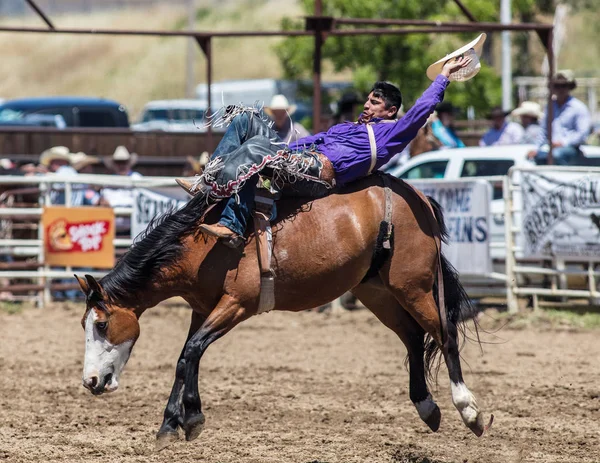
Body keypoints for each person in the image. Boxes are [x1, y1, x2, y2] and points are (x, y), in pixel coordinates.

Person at [177, 56, 474, 247]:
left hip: (320, 175)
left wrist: (444, 76)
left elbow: (421, 110)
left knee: (256, 150)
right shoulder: (346, 128)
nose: (367, 105)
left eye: (374, 102)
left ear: (391, 110)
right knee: (245, 120)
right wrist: (278, 149)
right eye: (368, 100)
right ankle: (209, 180)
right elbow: (309, 142)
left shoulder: (391, 133)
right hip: (299, 160)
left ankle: (232, 223)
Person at [528, 70, 592, 165]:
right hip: (549, 148)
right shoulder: (549, 107)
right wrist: (536, 148)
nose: (560, 89)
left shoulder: (579, 107)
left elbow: (582, 134)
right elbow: (543, 131)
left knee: (556, 155)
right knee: (537, 157)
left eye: (564, 86)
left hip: (571, 149)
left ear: (569, 87)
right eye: (557, 86)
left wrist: (562, 143)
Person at [101, 146, 143, 236]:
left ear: (128, 163)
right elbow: (104, 201)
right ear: (114, 164)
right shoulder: (108, 181)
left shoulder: (137, 178)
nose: (122, 166)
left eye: (124, 162)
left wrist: (112, 205)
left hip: (134, 230)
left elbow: (139, 201)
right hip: (113, 230)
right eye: (119, 162)